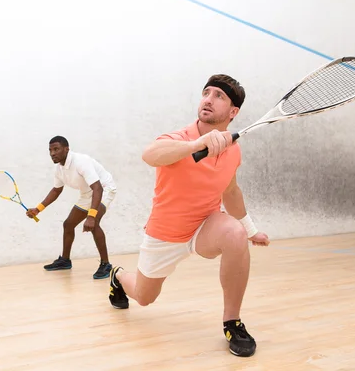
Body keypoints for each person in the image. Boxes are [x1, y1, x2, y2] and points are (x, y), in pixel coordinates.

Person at [107, 74, 270, 357]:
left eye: (219, 96)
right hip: (164, 234)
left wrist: (251, 229)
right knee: (145, 297)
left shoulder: (233, 150)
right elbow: (151, 154)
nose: (208, 99)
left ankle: (232, 322)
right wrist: (197, 145)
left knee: (235, 235)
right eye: (206, 92)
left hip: (205, 227)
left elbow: (230, 192)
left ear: (233, 112)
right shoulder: (179, 138)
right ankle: (119, 276)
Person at [26, 136, 117, 279]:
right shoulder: (59, 169)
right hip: (88, 192)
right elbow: (56, 190)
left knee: (94, 222)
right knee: (68, 224)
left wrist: (91, 216)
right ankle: (65, 260)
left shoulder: (81, 161)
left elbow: (97, 188)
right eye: (50, 150)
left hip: (104, 189)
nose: (52, 153)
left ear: (66, 149)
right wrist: (38, 209)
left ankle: (106, 264)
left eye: (56, 149)